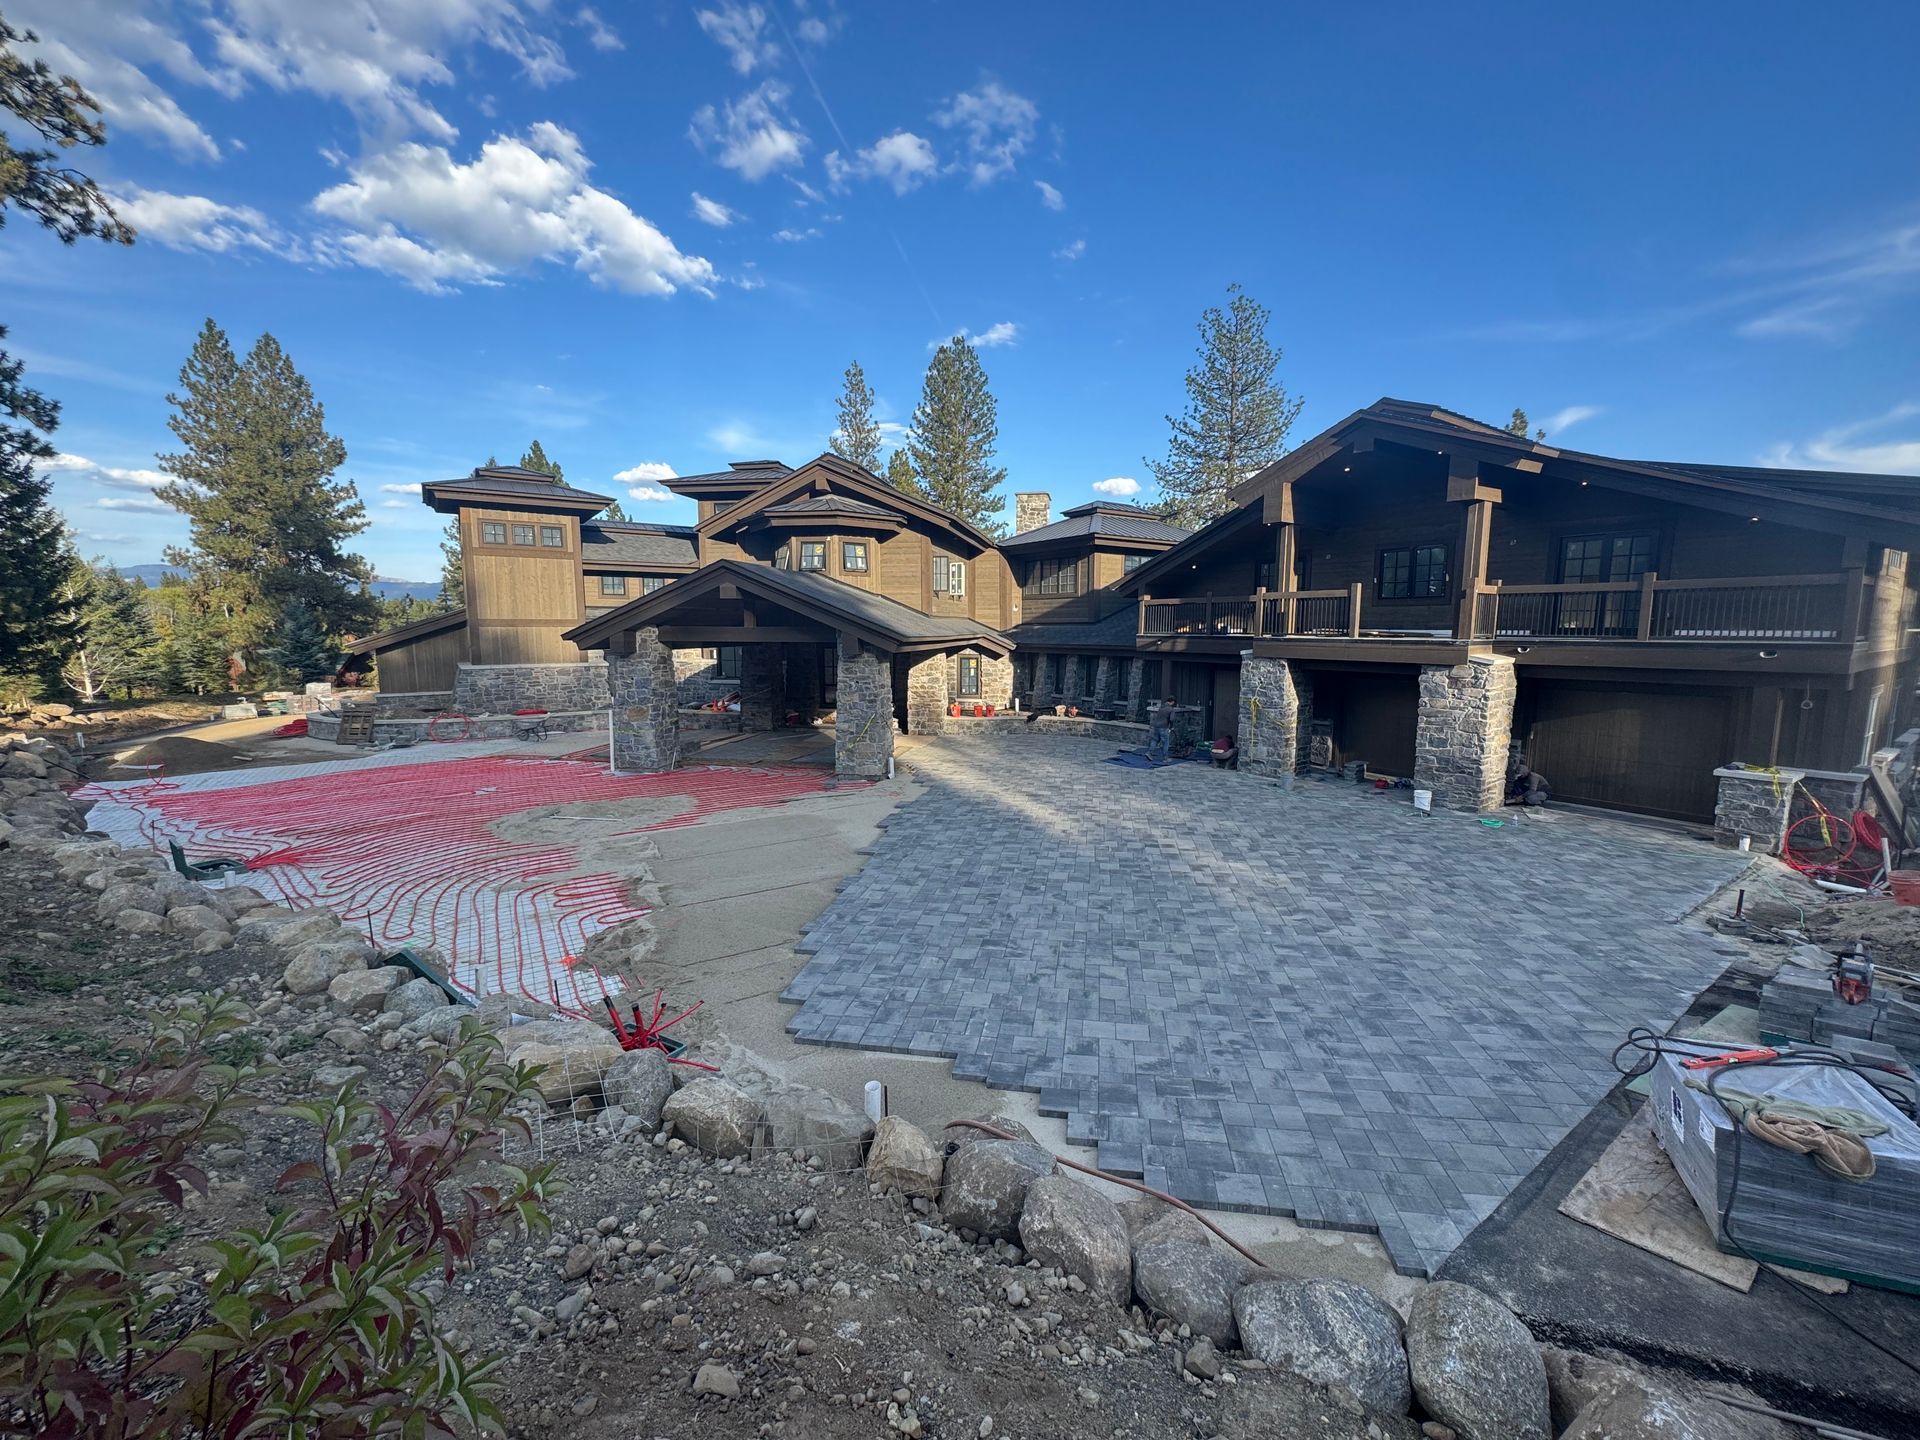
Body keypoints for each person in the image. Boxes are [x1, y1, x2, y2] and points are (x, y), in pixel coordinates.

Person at [1148, 695, 1177, 762]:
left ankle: (1149, 753)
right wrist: (1171, 727)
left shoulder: (1161, 707)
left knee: (1155, 740)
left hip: (1156, 726)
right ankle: (1165, 758)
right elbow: (1171, 719)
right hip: (1164, 727)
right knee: (1165, 742)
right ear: (1172, 702)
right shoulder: (1171, 709)